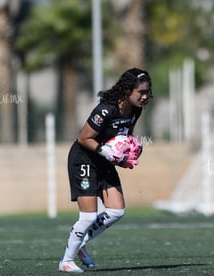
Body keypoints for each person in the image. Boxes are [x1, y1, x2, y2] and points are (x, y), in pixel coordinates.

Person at [59, 68, 153, 273]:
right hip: (83, 159)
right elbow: (84, 138)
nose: (145, 96)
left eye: (147, 92)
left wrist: (127, 153)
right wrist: (107, 152)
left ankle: (80, 241)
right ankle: (66, 261)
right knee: (88, 217)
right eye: (141, 92)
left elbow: (123, 138)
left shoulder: (136, 110)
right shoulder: (106, 110)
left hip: (103, 161)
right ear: (128, 91)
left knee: (117, 211)